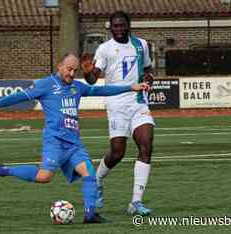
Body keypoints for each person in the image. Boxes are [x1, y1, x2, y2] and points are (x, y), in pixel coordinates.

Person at [0, 53, 149, 223]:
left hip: (74, 144)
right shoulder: (46, 84)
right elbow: (18, 97)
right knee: (44, 177)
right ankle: (1, 170)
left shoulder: (77, 87)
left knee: (90, 174)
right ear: (59, 67)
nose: (72, 74)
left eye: (75, 71)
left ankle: (90, 215)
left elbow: (101, 89)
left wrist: (130, 87)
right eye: (69, 69)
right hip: (54, 141)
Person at [81, 11, 155, 216]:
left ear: (129, 25)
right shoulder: (105, 49)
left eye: (122, 25)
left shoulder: (141, 45)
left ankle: (136, 202)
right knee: (118, 152)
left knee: (146, 145)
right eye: (115, 26)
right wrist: (87, 72)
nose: (119, 29)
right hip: (116, 104)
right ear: (111, 28)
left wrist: (149, 80)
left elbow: (149, 70)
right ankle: (96, 180)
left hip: (139, 102)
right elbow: (93, 80)